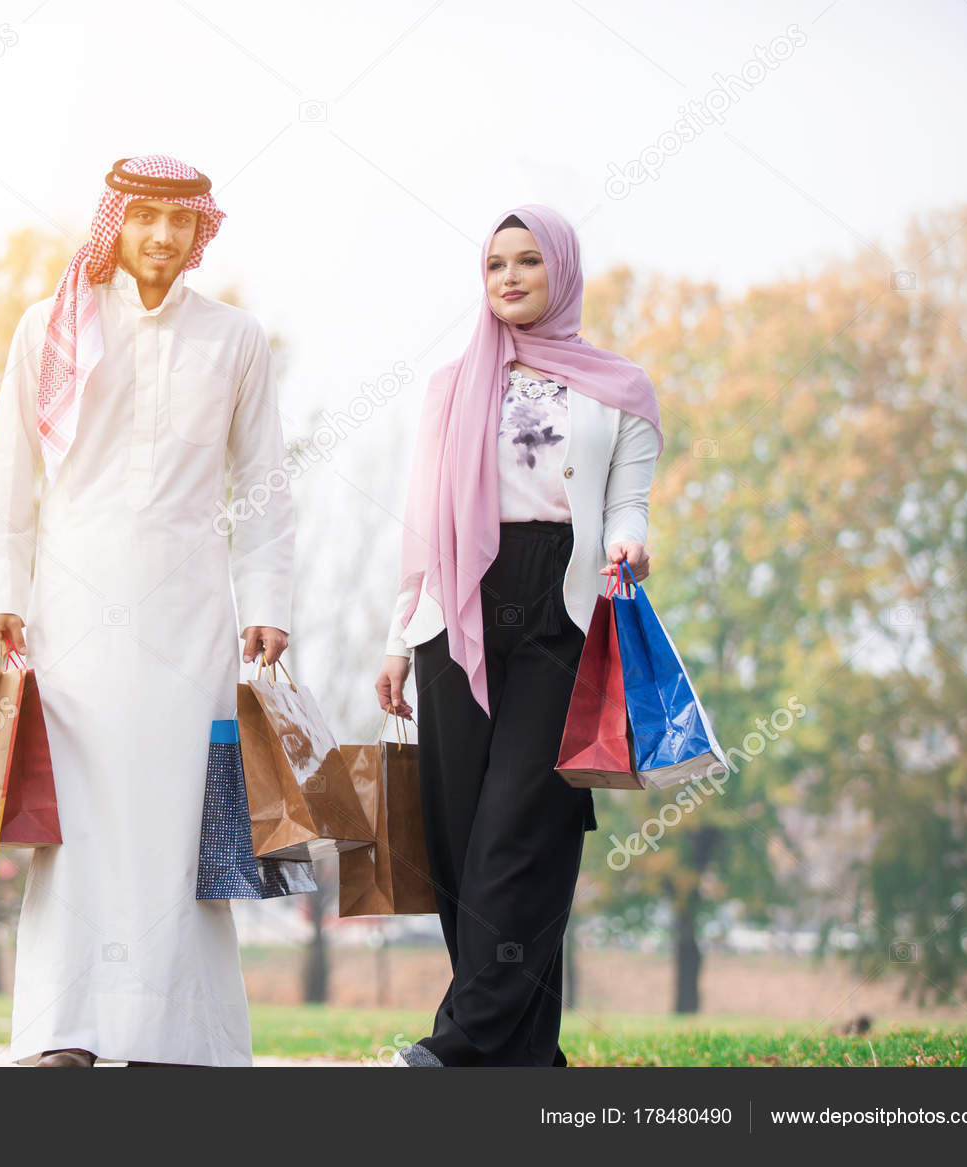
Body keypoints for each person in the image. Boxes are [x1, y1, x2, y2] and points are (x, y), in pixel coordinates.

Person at [0, 155, 294, 1068]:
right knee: (77, 823)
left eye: (178, 220)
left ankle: (173, 1037)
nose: (160, 235)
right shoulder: (52, 325)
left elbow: (264, 482)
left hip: (192, 610)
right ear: (118, 222)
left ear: (202, 231)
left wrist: (269, 600)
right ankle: (62, 1034)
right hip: (71, 606)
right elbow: (10, 471)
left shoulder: (236, 338)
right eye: (144, 216)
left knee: (178, 819)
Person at [374, 204, 663, 1067]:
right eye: (495, 263)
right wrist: (396, 640)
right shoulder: (449, 387)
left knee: (519, 829)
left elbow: (628, 500)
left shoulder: (621, 388)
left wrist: (628, 542)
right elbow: (423, 526)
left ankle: (458, 1046)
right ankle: (528, 1061)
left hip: (561, 610)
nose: (509, 277)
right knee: (460, 839)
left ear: (562, 272)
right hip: (456, 611)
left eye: (528, 261)